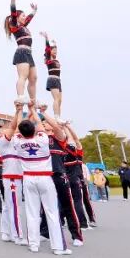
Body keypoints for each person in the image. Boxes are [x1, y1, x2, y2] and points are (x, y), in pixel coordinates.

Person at [11, 105, 71, 255]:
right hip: (45, 178)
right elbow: (39, 124)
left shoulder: (17, 141)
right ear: (34, 130)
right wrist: (34, 110)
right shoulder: (43, 139)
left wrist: (23, 111)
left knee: (32, 212)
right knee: (52, 212)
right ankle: (58, 247)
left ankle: (33, 244)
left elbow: (18, 129)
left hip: (28, 179)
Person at [38, 105, 83, 247]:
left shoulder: (59, 138)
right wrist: (33, 110)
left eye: (46, 122)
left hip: (59, 175)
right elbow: (36, 126)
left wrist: (43, 112)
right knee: (45, 206)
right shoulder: (40, 139)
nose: (44, 123)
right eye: (43, 122)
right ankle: (44, 232)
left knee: (67, 205)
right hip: (45, 176)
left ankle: (76, 235)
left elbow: (56, 127)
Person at [0, 124, 25, 245]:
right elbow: (15, 127)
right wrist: (18, 114)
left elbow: (19, 127)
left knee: (8, 205)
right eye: (3, 129)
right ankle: (17, 235)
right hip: (11, 177)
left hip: (15, 177)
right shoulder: (1, 142)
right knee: (15, 206)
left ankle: (6, 232)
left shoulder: (13, 140)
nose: (7, 129)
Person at [4, 0, 38, 105]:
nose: (25, 17)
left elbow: (29, 19)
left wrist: (34, 11)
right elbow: (13, 12)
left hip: (29, 53)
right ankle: (20, 96)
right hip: (21, 52)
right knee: (23, 76)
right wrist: (13, 0)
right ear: (17, 18)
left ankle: (33, 100)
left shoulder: (23, 26)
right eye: (22, 16)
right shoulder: (15, 26)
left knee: (33, 78)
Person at [40, 32, 64, 120]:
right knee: (56, 99)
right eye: (54, 50)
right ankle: (56, 117)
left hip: (58, 80)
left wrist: (55, 44)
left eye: (56, 51)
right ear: (50, 51)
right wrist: (46, 39)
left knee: (60, 100)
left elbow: (53, 49)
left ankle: (59, 117)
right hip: (52, 79)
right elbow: (47, 49)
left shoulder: (56, 60)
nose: (55, 52)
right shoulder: (49, 59)